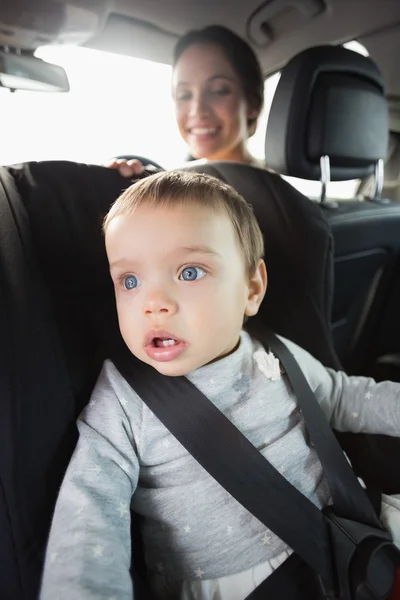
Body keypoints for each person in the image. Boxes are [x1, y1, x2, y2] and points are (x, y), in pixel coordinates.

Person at [40, 170, 400, 600]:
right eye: (129, 281)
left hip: (354, 537)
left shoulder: (271, 351)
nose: (153, 303)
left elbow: (343, 397)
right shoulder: (122, 400)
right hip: (238, 584)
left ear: (252, 288)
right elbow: (88, 516)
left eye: (190, 272)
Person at [106, 25, 265, 178]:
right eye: (184, 95)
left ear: (252, 104)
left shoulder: (283, 194)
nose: (197, 110)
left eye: (219, 91)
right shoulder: (169, 187)